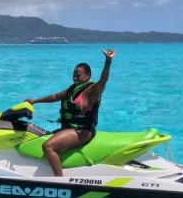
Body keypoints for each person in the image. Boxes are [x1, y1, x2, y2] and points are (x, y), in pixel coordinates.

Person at [24, 49, 116, 177]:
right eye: (73, 75)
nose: (74, 78)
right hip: (70, 129)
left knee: (48, 146)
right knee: (42, 136)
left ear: (88, 75)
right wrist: (34, 101)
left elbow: (103, 80)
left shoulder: (93, 90)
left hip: (83, 131)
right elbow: (56, 96)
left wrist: (108, 61)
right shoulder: (73, 89)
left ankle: (60, 180)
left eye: (78, 75)